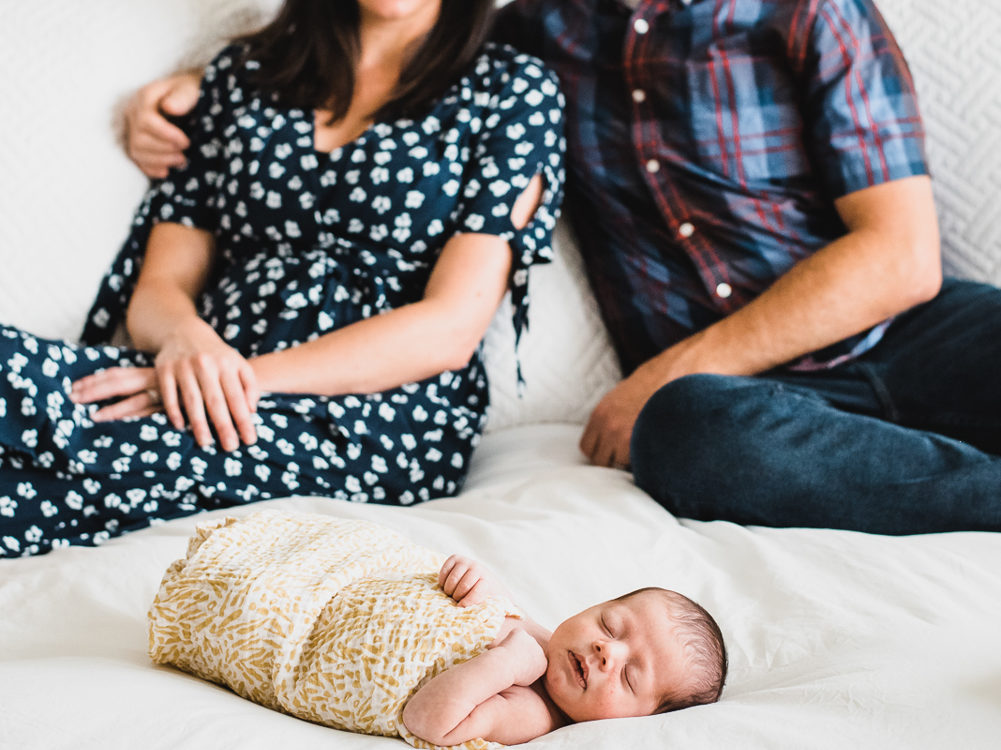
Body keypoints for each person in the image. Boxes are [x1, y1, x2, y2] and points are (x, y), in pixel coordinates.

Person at [123, 0, 1001, 536]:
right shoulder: (534, 34)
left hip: (906, 330)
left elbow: (899, 256)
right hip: (745, 407)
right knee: (686, 435)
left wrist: (664, 368)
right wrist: (192, 88)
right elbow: (393, 42)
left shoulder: (808, 7)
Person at [0, 0, 566, 558]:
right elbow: (160, 285)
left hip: (378, 415)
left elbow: (451, 326)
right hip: (200, 370)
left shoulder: (511, 90)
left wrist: (236, 382)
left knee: (102, 452)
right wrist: (185, 342)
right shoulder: (243, 77)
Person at [148, 510, 727, 746]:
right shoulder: (553, 645)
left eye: (629, 676)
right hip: (361, 588)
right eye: (610, 623)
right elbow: (499, 610)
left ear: (638, 723)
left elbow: (427, 721)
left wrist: (503, 665)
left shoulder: (535, 713)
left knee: (256, 605)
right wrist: (478, 582)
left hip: (322, 644)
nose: (606, 650)